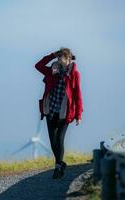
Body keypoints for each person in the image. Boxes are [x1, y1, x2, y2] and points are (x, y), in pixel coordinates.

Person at [34, 47, 83, 179]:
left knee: (60, 139)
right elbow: (38, 65)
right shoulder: (52, 71)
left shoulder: (74, 74)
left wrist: (78, 115)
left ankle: (58, 167)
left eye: (61, 57)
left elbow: (77, 95)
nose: (58, 59)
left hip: (65, 113)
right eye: (58, 57)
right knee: (53, 142)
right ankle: (61, 163)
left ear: (68, 59)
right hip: (50, 110)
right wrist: (52, 54)